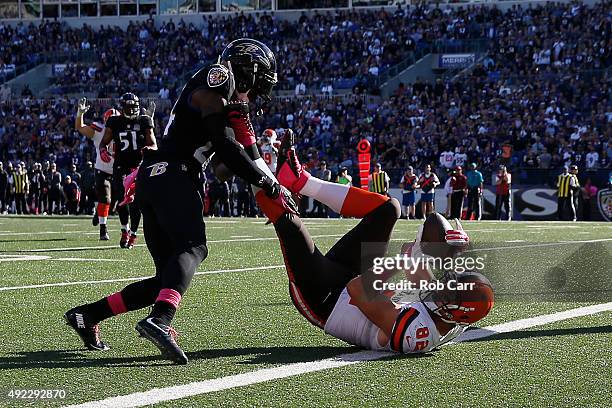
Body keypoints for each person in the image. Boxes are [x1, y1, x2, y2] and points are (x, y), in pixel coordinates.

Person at [65, 38, 294, 364]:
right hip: (174, 174)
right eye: (258, 83)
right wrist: (267, 182)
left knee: (166, 278)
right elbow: (224, 146)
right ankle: (160, 319)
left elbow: (221, 165)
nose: (257, 93)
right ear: (247, 72)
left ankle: (88, 315)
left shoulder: (222, 102)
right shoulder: (218, 78)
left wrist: (245, 153)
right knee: (194, 248)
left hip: (156, 178)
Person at [263, 134, 492, 354]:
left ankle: (245, 153)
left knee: (287, 219)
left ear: (456, 313)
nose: (442, 286)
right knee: (389, 209)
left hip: (325, 300)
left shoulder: (416, 332)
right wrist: (447, 250)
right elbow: (422, 241)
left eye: (448, 292)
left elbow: (357, 289)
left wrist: (406, 260)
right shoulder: (451, 311)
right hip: (353, 277)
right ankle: (300, 180)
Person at [99, 93, 156, 248]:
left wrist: (148, 149)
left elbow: (153, 144)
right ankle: (125, 229)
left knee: (135, 202)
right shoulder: (114, 121)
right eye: (129, 107)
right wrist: (103, 150)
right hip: (120, 165)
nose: (132, 110)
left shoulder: (144, 120)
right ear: (122, 107)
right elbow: (104, 142)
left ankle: (133, 234)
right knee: (123, 199)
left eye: (134, 107)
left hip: (138, 166)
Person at [74, 98, 120, 240]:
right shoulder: (99, 131)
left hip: (118, 171)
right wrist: (79, 114)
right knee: (105, 200)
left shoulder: (125, 133)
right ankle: (103, 230)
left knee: (112, 206)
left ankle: (98, 214)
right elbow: (80, 127)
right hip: (102, 170)